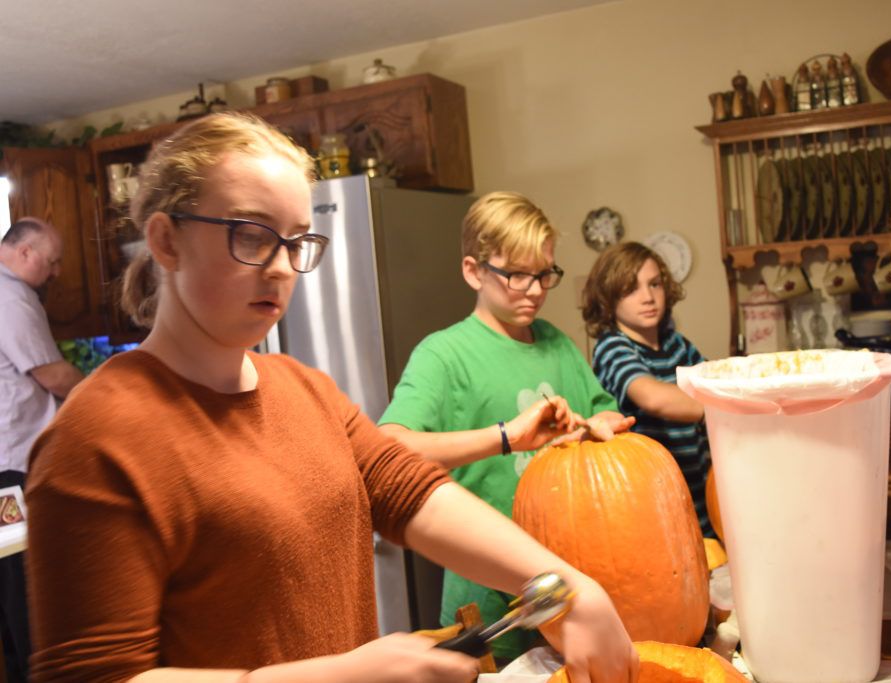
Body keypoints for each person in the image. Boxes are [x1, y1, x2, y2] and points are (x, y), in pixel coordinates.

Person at [25, 113, 639, 683]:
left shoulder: (305, 389)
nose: (283, 267)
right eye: (251, 234)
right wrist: (346, 675)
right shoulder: (95, 439)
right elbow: (94, 677)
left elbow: (410, 493)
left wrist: (566, 585)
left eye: (295, 241)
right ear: (166, 241)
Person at [377, 191, 634, 661]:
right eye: (517, 274)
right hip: (488, 589)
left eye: (545, 274)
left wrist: (598, 424)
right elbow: (388, 449)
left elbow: (607, 412)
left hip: (566, 577)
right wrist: (506, 438)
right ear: (474, 270)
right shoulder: (443, 355)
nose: (535, 290)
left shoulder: (555, 342)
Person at [0, 217, 84, 682]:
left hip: (6, 469)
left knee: (13, 581)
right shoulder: (11, 298)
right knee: (22, 584)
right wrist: (104, 396)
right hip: (10, 474)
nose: (55, 273)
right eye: (51, 263)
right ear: (26, 254)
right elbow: (51, 375)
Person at [580, 241, 713, 537]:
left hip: (699, 499)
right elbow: (651, 397)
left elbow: (714, 383)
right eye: (631, 289)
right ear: (608, 300)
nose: (648, 297)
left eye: (654, 284)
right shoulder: (612, 346)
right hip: (649, 506)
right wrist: (716, 407)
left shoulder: (678, 345)